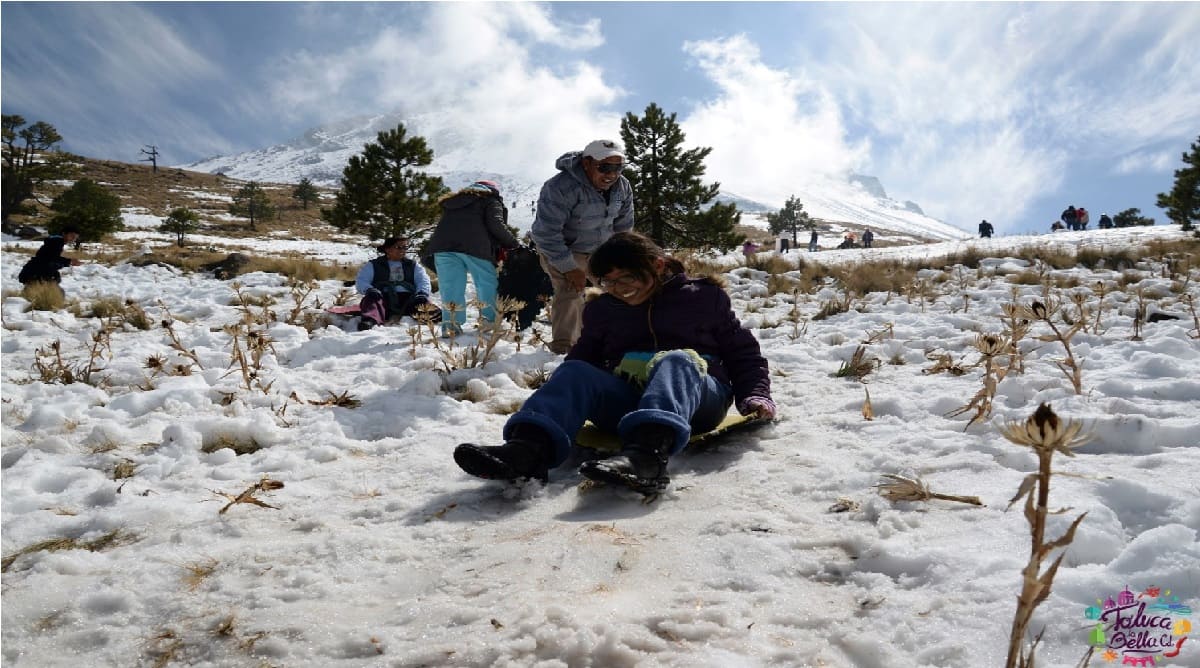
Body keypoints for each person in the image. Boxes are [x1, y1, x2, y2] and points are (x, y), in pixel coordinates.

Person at [453, 231, 775, 494]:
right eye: (609, 282)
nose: (619, 290)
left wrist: (755, 394)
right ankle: (527, 452)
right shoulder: (603, 310)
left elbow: (742, 352)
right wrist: (562, 401)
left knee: (678, 359)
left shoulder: (703, 299)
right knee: (576, 370)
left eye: (627, 278)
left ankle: (646, 458)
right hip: (628, 401)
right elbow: (582, 361)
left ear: (657, 265)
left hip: (696, 401)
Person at [531, 139, 635, 354]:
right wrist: (569, 268)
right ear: (587, 163)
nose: (612, 174)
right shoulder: (560, 187)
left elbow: (624, 226)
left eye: (618, 168)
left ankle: (616, 339)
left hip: (600, 249)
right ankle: (564, 348)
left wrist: (621, 257)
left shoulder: (622, 186)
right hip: (563, 248)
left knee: (619, 288)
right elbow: (546, 234)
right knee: (570, 291)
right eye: (605, 167)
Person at [425, 180, 519, 336]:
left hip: (443, 247)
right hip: (476, 247)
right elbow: (496, 224)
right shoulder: (489, 200)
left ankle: (451, 326)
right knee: (486, 283)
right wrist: (514, 244)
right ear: (492, 191)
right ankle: (489, 323)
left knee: (450, 287)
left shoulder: (453, 202)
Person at [354, 237, 436, 330]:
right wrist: (369, 290)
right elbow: (362, 280)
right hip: (382, 297)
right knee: (371, 301)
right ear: (387, 249)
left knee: (422, 303)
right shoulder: (374, 265)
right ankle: (370, 320)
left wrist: (422, 293)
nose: (402, 250)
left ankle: (436, 317)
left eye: (405, 247)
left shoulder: (413, 265)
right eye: (398, 247)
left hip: (408, 298)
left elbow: (423, 280)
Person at [18, 226, 82, 290]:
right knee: (54, 291)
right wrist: (69, 261)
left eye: (75, 238)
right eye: (72, 236)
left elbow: (49, 258)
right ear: (64, 234)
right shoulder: (57, 241)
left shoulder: (54, 241)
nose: (73, 239)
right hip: (36, 274)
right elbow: (52, 258)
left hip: (32, 272)